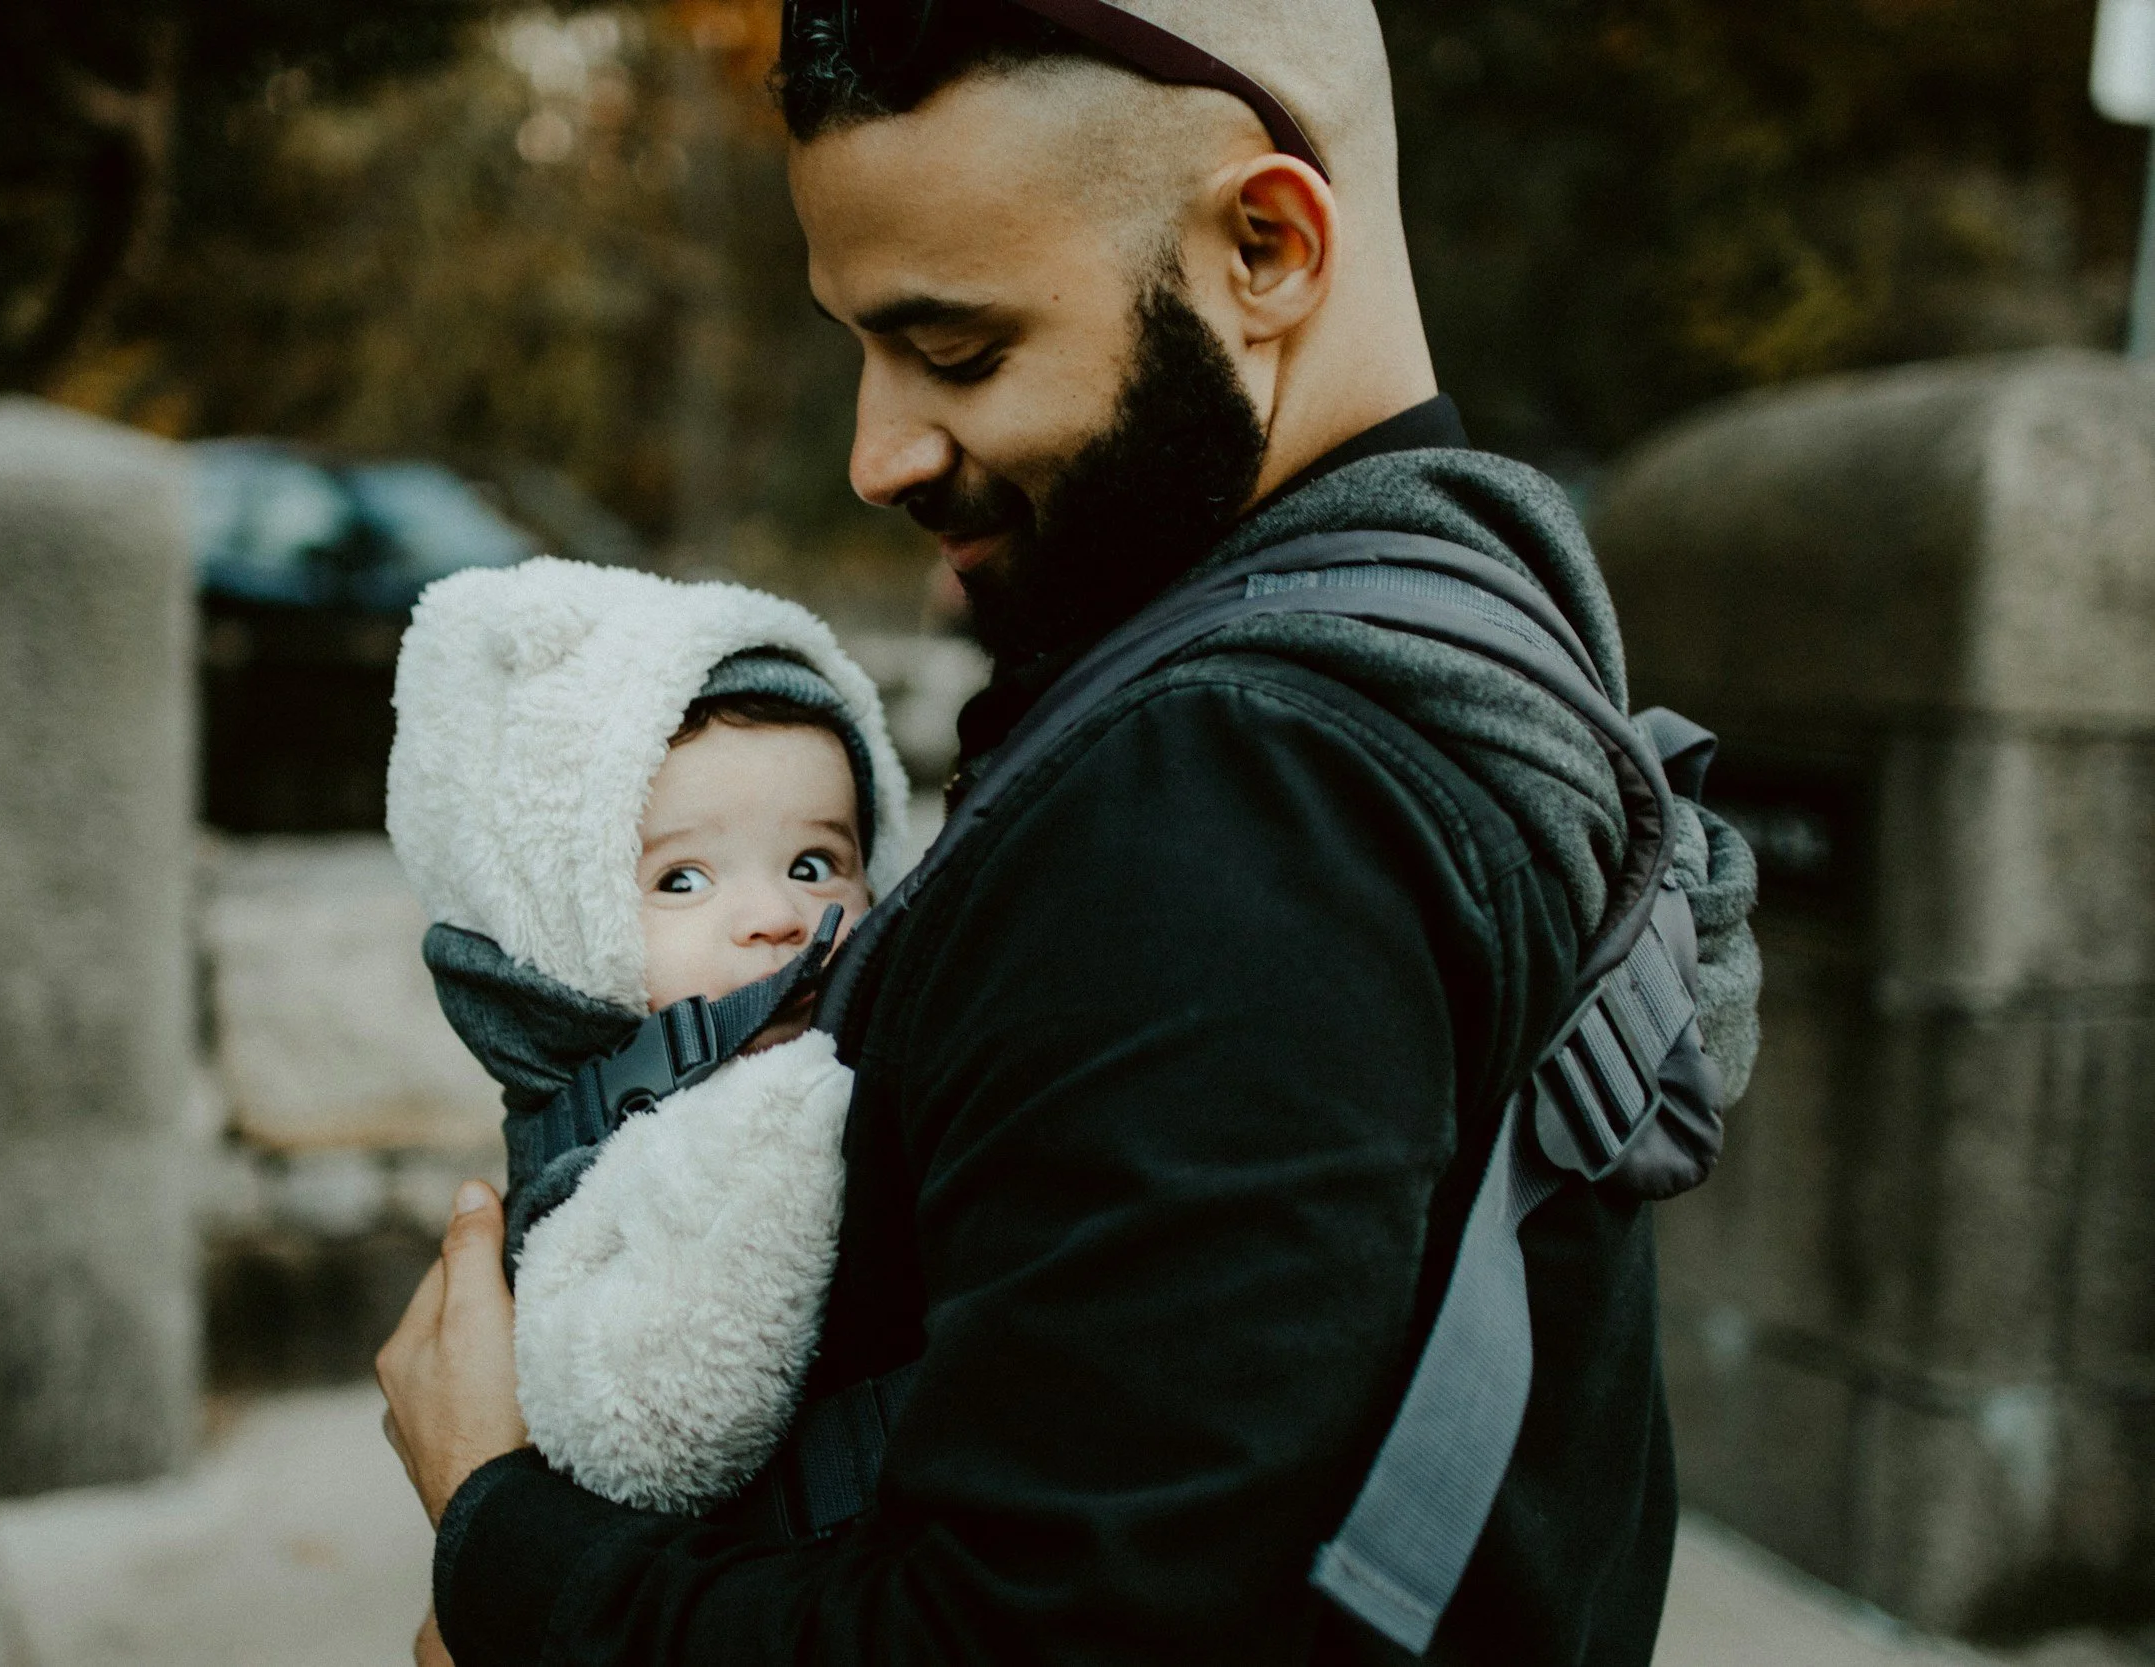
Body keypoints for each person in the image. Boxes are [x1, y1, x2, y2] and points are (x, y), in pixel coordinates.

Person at [376, 3, 1762, 1663]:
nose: (878, 451)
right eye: (861, 347)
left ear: (1266, 244)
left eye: (957, 350)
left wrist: (505, 1530)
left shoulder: (1230, 798)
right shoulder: (1488, 621)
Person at [381, 557, 911, 1521]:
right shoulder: (600, 1153)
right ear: (562, 934)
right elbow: (659, 1417)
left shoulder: (882, 1071)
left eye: (814, 861)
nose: (778, 916)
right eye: (682, 879)